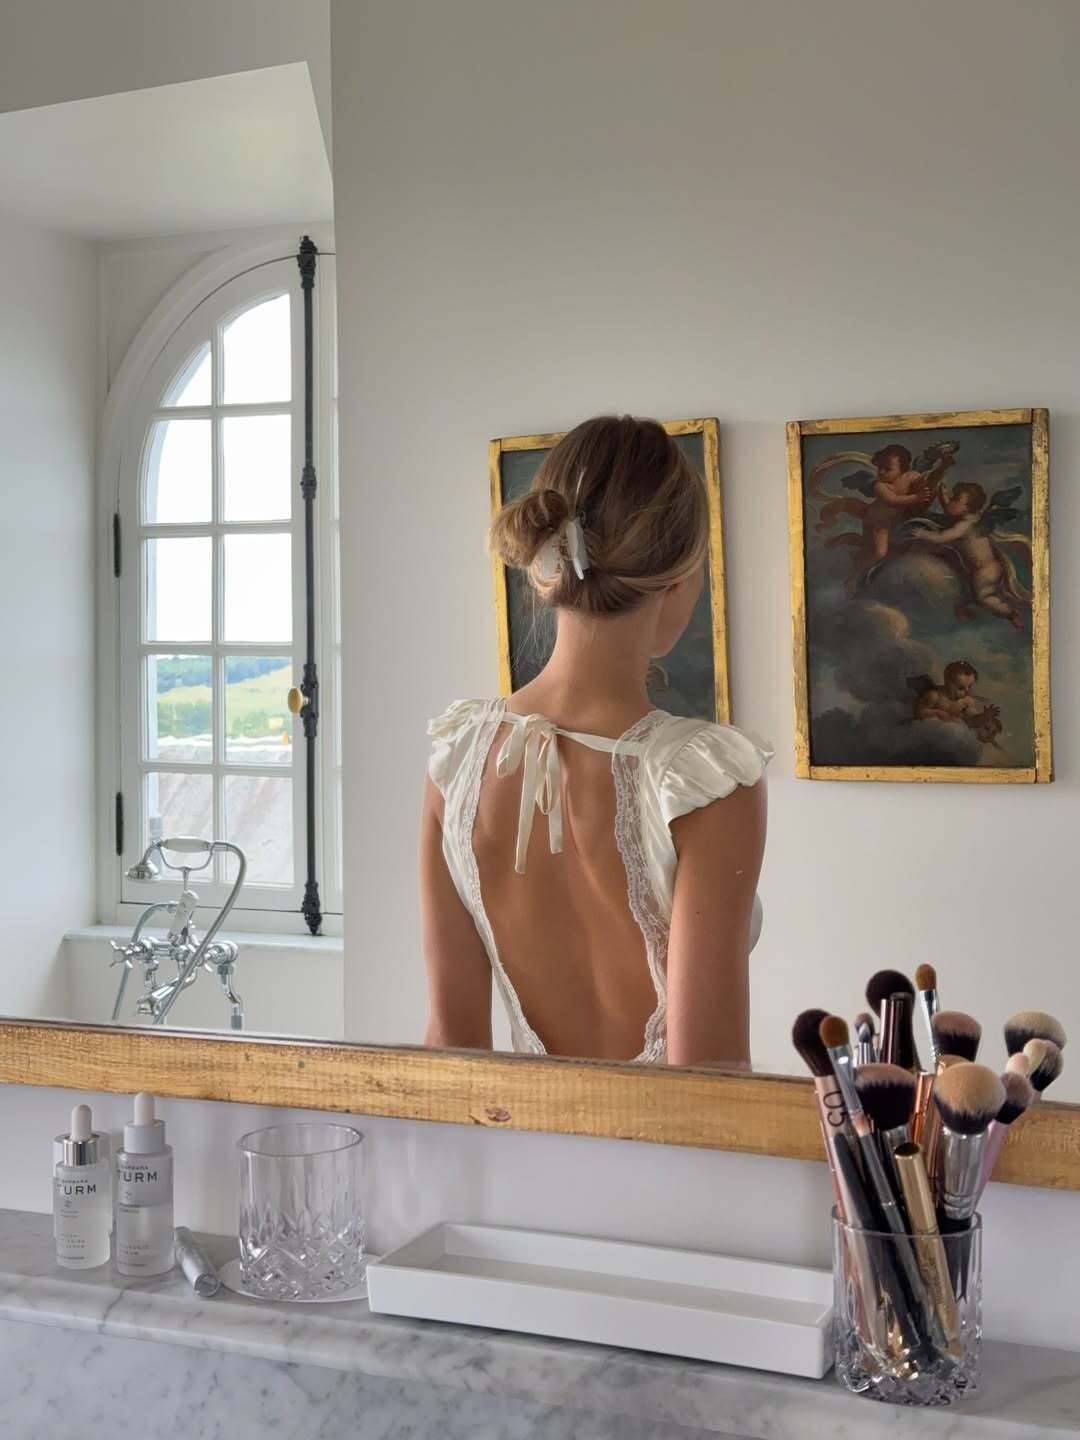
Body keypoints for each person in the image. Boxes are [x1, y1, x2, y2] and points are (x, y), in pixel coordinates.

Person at [419, 415, 770, 1067]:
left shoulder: (458, 756)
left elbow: (451, 1042)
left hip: (512, 1132)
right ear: (680, 581)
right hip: (669, 1137)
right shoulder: (706, 779)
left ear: (546, 569)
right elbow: (711, 1073)